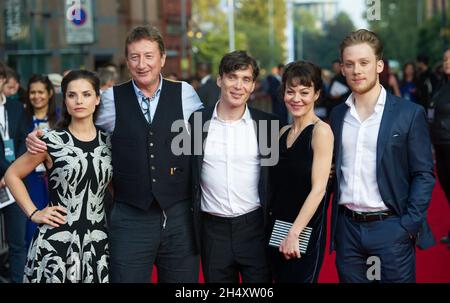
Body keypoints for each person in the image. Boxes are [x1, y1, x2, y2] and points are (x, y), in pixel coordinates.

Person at [26, 25, 203, 283]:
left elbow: (212, 129)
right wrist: (43, 135)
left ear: (162, 58)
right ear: (126, 61)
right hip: (130, 218)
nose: (142, 64)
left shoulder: (185, 94)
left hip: (179, 218)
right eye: (134, 57)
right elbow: (80, 121)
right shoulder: (110, 99)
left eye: (149, 55)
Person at [329, 29, 435, 283]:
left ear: (379, 65)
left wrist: (407, 226)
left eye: (364, 63)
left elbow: (423, 174)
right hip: (348, 230)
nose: (357, 70)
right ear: (342, 68)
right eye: (350, 64)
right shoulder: (336, 116)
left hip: (390, 228)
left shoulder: (408, 114)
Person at [5, 70, 112, 283]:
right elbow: (12, 175)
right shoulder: (51, 140)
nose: (79, 101)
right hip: (56, 244)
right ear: (64, 99)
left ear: (97, 98)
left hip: (98, 243)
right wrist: (34, 212)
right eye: (72, 95)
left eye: (86, 94)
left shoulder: (109, 141)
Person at [190, 50, 278, 283]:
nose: (238, 86)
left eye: (246, 79)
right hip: (212, 232)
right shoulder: (196, 123)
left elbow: (278, 179)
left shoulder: (267, 125)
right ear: (220, 80)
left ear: (253, 86)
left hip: (255, 229)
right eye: (232, 77)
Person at [267, 61, 333, 283]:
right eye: (290, 91)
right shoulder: (282, 132)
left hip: (303, 231)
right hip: (275, 228)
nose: (296, 99)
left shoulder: (321, 132)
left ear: (316, 94)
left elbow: (319, 190)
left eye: (304, 92)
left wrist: (293, 234)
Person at [20, 74, 59, 248]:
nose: (37, 96)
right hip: (30, 178)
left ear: (50, 93)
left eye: (41, 92)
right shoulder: (22, 117)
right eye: (32, 92)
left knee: (56, 222)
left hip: (55, 177)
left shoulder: (60, 117)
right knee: (33, 226)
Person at [0, 62, 27, 283]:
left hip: (15, 182)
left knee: (18, 243)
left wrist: (11, 174)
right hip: (3, 180)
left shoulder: (16, 108)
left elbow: (22, 142)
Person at [431, 49, 450, 249]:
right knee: (446, 187)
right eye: (444, 59)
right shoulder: (440, 85)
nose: (446, 62)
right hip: (440, 143)